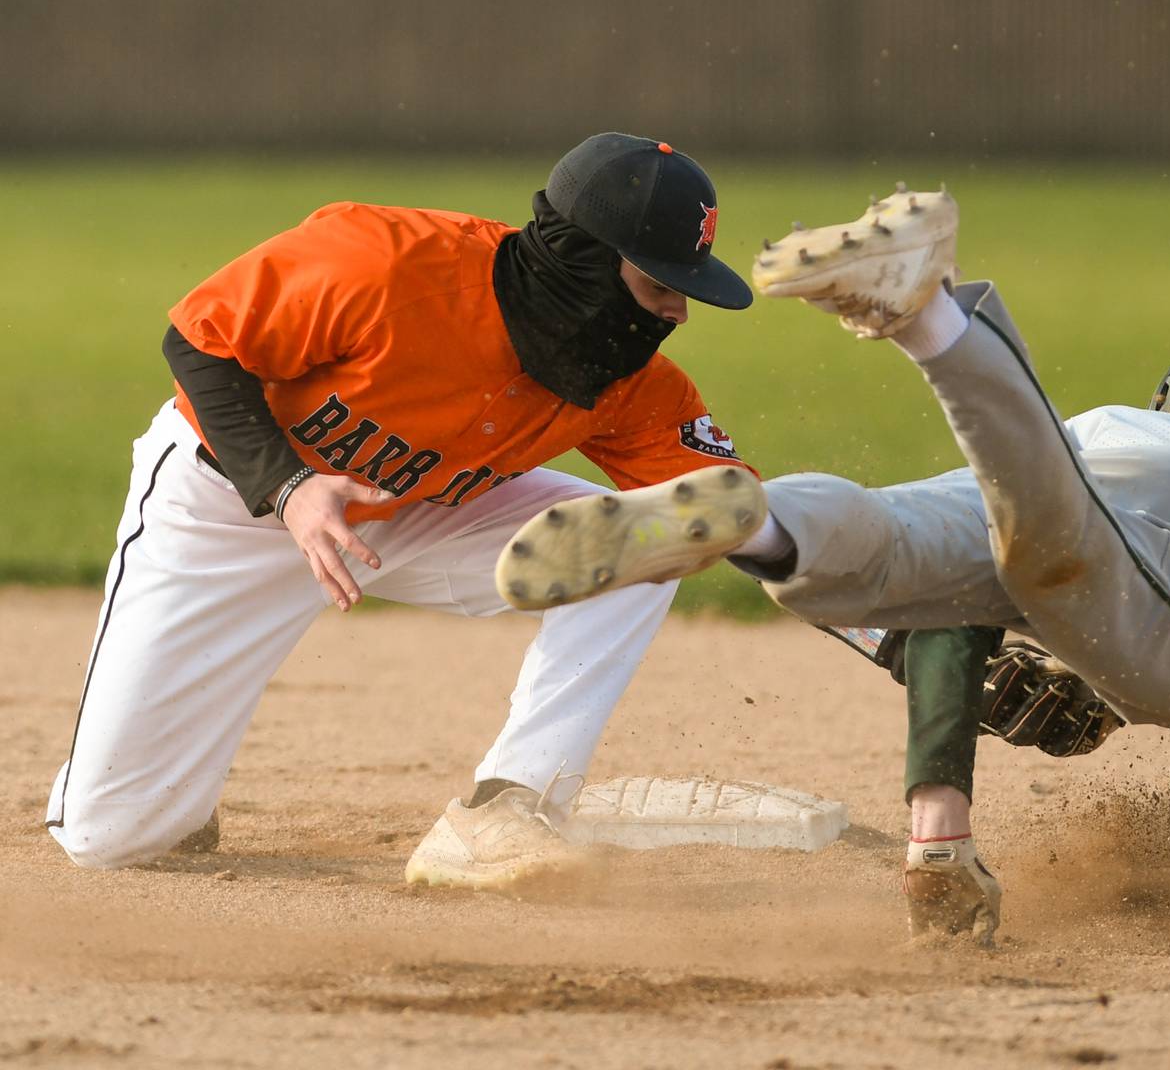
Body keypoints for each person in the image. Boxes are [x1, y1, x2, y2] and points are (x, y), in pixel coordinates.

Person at [500, 187, 1170, 945]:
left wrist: (934, 659)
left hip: (1101, 481)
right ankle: (929, 320)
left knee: (908, 538)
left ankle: (766, 521)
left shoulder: (1136, 425)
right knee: (1036, 546)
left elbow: (948, 585)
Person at [45, 132, 757, 892]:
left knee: (651, 536)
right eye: (659, 287)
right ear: (588, 261)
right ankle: (158, 789)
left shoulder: (628, 381)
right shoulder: (385, 262)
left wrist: (885, 626)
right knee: (112, 837)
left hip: (415, 516)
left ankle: (509, 806)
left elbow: (732, 513)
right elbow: (199, 342)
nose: (677, 313)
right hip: (225, 506)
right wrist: (288, 487)